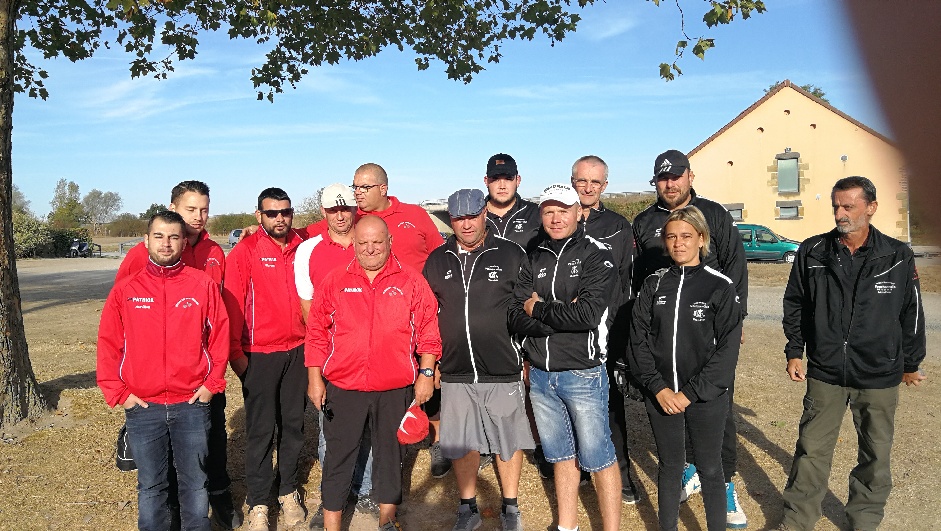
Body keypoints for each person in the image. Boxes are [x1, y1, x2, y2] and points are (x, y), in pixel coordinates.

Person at [778, 176, 927, 531]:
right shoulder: (813, 251)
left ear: (871, 208)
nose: (840, 213)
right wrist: (795, 350)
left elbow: (912, 312)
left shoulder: (897, 255)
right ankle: (797, 522)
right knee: (811, 451)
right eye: (836, 206)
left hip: (878, 374)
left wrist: (910, 362)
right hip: (826, 371)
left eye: (848, 206)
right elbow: (795, 304)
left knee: (875, 454)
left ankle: (864, 520)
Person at [632, 149, 749, 528]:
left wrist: (735, 320)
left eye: (676, 176)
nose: (670, 183)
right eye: (663, 177)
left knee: (715, 447)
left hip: (705, 361)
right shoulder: (644, 227)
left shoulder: (714, 217)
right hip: (664, 364)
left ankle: (723, 491)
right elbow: (640, 329)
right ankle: (683, 479)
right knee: (670, 462)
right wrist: (656, 384)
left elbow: (735, 269)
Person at [114, 181, 238, 529]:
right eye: (190, 209)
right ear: (173, 208)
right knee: (161, 464)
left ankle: (218, 498)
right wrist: (121, 388)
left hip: (201, 376)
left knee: (211, 444)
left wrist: (213, 378)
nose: (198, 216)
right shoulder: (144, 254)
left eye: (204, 210)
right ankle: (167, 511)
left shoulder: (214, 252)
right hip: (154, 384)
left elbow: (218, 318)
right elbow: (121, 316)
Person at [306, 216, 441, 531]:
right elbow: (316, 332)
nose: (370, 249)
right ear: (354, 243)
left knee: (389, 456)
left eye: (377, 242)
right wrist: (314, 378)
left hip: (394, 388)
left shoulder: (411, 281)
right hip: (344, 388)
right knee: (337, 457)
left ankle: (387, 520)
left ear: (389, 242)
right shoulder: (335, 280)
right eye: (363, 242)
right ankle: (331, 524)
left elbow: (428, 330)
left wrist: (426, 372)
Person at [509, 183, 621, 531]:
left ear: (578, 213)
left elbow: (586, 315)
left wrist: (539, 307)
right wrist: (555, 318)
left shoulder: (596, 254)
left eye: (563, 210)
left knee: (598, 458)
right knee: (560, 455)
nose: (556, 218)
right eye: (549, 212)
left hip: (582, 372)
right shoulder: (534, 255)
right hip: (542, 374)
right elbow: (514, 312)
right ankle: (566, 525)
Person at [423, 189, 535, 531]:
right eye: (459, 218)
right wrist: (432, 362)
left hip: (502, 366)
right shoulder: (437, 259)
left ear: (484, 213)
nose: (466, 224)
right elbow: (428, 316)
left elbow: (525, 308)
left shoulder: (512, 254)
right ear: (451, 219)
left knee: (507, 439)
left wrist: (527, 355)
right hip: (455, 369)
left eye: (472, 216)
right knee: (461, 441)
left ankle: (511, 506)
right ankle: (467, 506)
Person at [222, 188, 308, 531]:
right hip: (258, 354)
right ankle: (258, 501)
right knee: (260, 431)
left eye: (285, 212)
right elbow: (232, 305)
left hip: (298, 351)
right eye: (271, 213)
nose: (279, 218)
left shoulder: (304, 245)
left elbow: (335, 223)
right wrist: (237, 356)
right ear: (259, 215)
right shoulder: (245, 251)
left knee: (293, 426)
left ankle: (288, 491)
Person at [294, 184, 378, 525]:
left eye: (345, 209)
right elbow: (309, 311)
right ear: (323, 212)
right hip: (333, 359)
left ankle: (366, 490)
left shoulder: (369, 242)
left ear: (355, 209)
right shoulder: (308, 250)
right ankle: (333, 497)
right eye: (333, 210)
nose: (340, 215)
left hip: (372, 355)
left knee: (369, 428)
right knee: (332, 433)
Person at [570, 154, 639, 504]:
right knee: (571, 402)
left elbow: (627, 282)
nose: (587, 187)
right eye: (582, 181)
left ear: (605, 186)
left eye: (595, 182)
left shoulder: (617, 226)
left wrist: (622, 332)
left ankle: (622, 473)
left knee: (610, 405)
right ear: (572, 182)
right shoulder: (558, 219)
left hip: (606, 330)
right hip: (567, 331)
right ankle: (580, 468)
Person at [351, 162, 444, 271]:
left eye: (364, 187)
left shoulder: (416, 214)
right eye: (355, 187)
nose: (357, 192)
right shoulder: (350, 220)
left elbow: (441, 256)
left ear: (383, 189)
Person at [483, 153, 542, 251]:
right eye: (496, 179)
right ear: (486, 181)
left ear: (518, 180)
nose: (502, 186)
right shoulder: (475, 216)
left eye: (508, 179)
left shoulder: (536, 213)